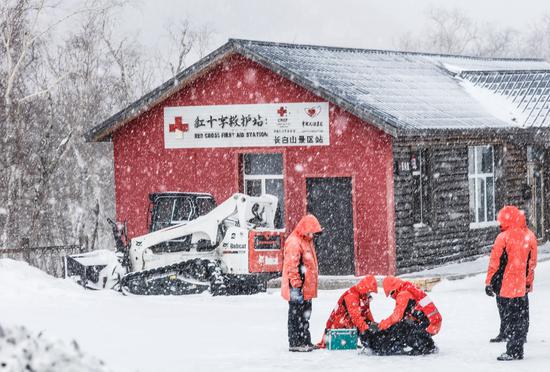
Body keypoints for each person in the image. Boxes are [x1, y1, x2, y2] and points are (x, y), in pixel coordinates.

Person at [485, 205, 537, 361]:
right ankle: (519, 338)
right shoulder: (530, 236)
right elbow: (531, 263)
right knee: (520, 315)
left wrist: (489, 282)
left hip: (505, 284)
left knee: (509, 314)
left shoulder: (503, 237)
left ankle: (514, 350)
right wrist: (528, 283)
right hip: (520, 284)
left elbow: (494, 262)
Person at [365, 276, 441, 355]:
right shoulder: (408, 289)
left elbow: (396, 317)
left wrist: (382, 325)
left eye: (391, 293)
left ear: (395, 288)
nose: (391, 296)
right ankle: (424, 343)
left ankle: (426, 346)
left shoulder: (403, 294)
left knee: (402, 328)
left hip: (429, 324)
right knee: (403, 325)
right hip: (432, 322)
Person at [281, 214, 322, 352]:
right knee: (295, 315)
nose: (313, 235)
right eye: (312, 232)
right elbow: (292, 266)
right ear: (305, 229)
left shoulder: (306, 240)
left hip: (305, 287)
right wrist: (297, 284)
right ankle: (295, 343)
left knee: (305, 314)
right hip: (297, 287)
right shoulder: (294, 242)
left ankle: (305, 341)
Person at [317, 275, 378, 349]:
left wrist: (373, 325)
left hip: (347, 322)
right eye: (369, 291)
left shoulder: (363, 296)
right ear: (365, 288)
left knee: (366, 325)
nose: (369, 293)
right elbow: (355, 317)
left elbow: (367, 312)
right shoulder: (351, 296)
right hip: (337, 325)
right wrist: (366, 330)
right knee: (362, 325)